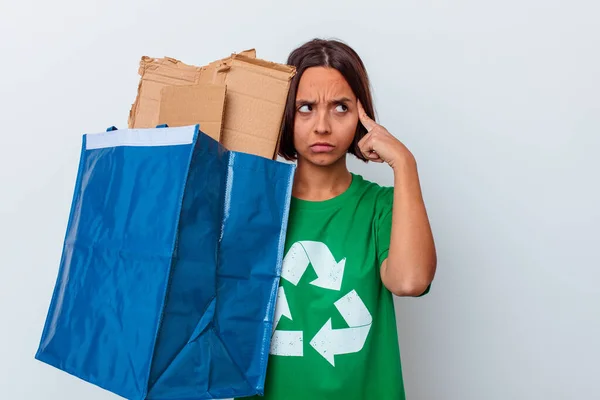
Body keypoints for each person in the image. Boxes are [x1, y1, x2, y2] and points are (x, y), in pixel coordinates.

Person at [244, 38, 437, 400]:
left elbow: (409, 281)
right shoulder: (252, 206)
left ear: (363, 116)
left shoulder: (383, 207)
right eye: (305, 108)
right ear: (285, 114)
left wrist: (405, 164)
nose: (322, 126)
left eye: (340, 108)